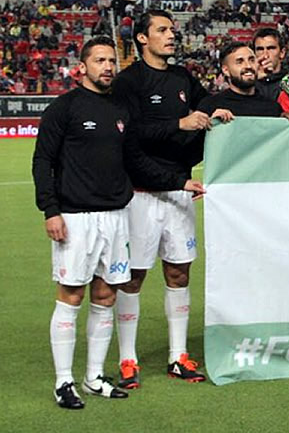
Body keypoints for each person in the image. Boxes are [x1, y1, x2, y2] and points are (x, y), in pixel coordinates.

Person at [33, 37, 203, 409]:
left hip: (116, 218)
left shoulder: (121, 110)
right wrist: (51, 210)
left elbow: (136, 161)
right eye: (99, 60)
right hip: (75, 218)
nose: (108, 66)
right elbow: (42, 161)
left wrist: (178, 182)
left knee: (106, 296)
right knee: (72, 295)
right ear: (82, 67)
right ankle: (64, 382)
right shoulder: (63, 109)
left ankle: (94, 376)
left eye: (112, 60)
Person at [112, 10, 230, 387]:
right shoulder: (128, 82)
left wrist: (217, 109)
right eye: (162, 30)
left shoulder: (182, 77)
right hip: (141, 194)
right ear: (142, 38)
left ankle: (178, 356)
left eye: (172, 30)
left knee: (179, 271)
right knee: (133, 277)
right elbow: (131, 136)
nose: (171, 35)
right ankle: (127, 359)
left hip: (180, 190)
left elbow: (205, 103)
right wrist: (179, 123)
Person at [197, 42, 283, 117]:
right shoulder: (210, 106)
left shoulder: (273, 108)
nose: (248, 66)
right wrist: (211, 125)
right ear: (226, 70)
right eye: (239, 62)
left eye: (252, 60)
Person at [252, 27, 287, 101]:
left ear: (282, 53)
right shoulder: (247, 83)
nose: (265, 55)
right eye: (260, 49)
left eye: (271, 48)